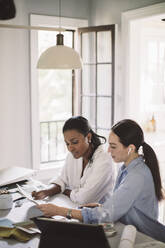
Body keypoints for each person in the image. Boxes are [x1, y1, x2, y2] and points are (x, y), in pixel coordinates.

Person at [36, 119, 164, 238]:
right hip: (129, 231)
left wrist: (60, 211)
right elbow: (123, 204)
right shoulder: (126, 168)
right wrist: (101, 206)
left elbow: (108, 214)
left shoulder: (137, 176)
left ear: (130, 149)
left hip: (144, 236)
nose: (109, 151)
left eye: (113, 147)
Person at [32, 116, 114, 204]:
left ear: (88, 137)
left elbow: (84, 199)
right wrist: (46, 192)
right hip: (74, 210)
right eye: (67, 143)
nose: (70, 148)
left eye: (75, 142)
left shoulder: (104, 161)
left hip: (98, 215)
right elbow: (62, 179)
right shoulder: (74, 156)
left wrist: (66, 191)